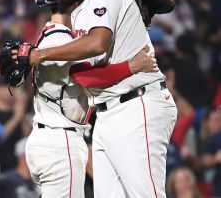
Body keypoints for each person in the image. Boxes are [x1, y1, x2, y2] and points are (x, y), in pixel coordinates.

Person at [22, 0, 177, 198]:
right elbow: (82, 75)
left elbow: (97, 43)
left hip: (137, 104)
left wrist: (40, 54)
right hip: (106, 115)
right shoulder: (80, 13)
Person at [23, 11, 156, 198]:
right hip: (60, 140)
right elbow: (84, 76)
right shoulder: (60, 37)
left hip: (52, 137)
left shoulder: (51, 35)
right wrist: (131, 66)